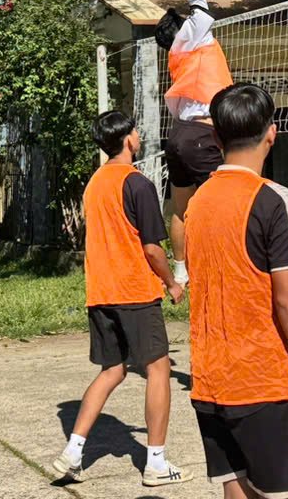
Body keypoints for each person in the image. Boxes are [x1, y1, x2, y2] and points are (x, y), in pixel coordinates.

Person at [187, 83, 288, 499]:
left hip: (210, 380)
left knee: (236, 487)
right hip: (265, 381)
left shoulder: (198, 202)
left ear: (216, 136)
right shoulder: (277, 201)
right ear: (272, 133)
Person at [53, 111, 191, 487]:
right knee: (158, 370)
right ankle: (156, 463)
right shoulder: (137, 184)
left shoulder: (95, 183)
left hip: (101, 292)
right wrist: (171, 283)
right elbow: (152, 249)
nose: (139, 136)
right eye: (135, 131)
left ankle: (73, 452)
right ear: (128, 139)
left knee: (112, 371)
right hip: (135, 291)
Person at [153, 0, 232, 286]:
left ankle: (182, 272)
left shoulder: (176, 53)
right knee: (226, 202)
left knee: (180, 208)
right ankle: (222, 265)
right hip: (202, 135)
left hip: (179, 135)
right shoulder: (193, 33)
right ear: (182, 27)